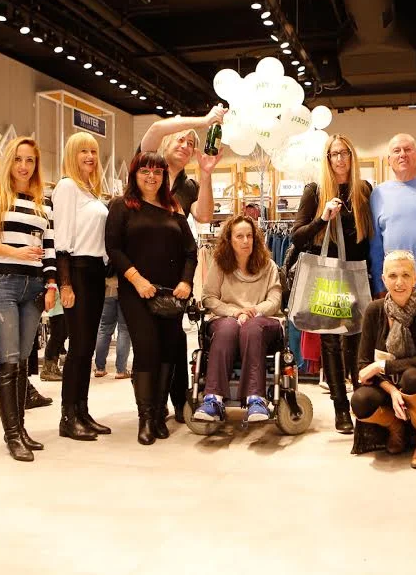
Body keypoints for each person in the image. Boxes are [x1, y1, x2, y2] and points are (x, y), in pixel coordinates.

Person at [0, 136, 57, 462]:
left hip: (34, 288)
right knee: (8, 358)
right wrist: (14, 252)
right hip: (0, 285)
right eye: (18, 159)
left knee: (21, 361)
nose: (24, 165)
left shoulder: (43, 202)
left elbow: (50, 246)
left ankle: (20, 429)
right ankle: (12, 435)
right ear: (9, 162)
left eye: (30, 160)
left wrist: (51, 284)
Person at [139, 104, 225, 423]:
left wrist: (206, 173)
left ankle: (176, 401)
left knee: (174, 340)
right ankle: (152, 405)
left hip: (176, 273)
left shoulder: (188, 187)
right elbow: (155, 129)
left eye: (191, 143)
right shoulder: (149, 169)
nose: (186, 146)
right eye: (181, 140)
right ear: (166, 143)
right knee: (150, 342)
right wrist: (204, 121)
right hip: (141, 271)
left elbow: (204, 215)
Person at [105, 151, 197, 445]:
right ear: (135, 174)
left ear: (164, 176)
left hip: (171, 295)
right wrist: (137, 280)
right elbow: (114, 249)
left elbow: (190, 251)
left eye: (157, 172)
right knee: (147, 351)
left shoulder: (173, 207)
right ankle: (145, 418)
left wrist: (186, 281)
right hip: (137, 293)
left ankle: (158, 413)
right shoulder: (121, 206)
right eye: (145, 171)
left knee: (168, 351)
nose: (151, 177)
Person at [291, 134, 374, 434]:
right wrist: (323, 218)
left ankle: (361, 405)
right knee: (330, 340)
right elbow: (297, 236)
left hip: (356, 273)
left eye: (344, 153)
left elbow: (370, 238)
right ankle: (341, 408)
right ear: (327, 159)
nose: (340, 159)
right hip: (327, 277)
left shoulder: (363, 190)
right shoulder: (315, 191)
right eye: (334, 154)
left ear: (352, 156)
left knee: (357, 341)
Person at [351, 251, 416, 467]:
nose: (399, 282)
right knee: (360, 402)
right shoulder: (374, 309)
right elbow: (363, 365)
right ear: (383, 279)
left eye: (406, 275)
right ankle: (396, 428)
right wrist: (391, 390)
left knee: (413, 376)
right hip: (386, 384)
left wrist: (381, 365)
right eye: (392, 276)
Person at [195, 215, 283, 423]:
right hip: (228, 318)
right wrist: (234, 312)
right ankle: (213, 399)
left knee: (252, 328)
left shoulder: (269, 266)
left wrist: (253, 311)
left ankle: (256, 399)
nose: (245, 241)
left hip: (262, 320)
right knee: (227, 329)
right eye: (239, 236)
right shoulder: (219, 265)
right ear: (230, 240)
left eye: (249, 236)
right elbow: (208, 298)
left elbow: (275, 299)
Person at [53, 132, 111, 441]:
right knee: (78, 347)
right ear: (72, 155)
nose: (89, 156)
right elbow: (61, 239)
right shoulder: (67, 187)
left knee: (86, 347)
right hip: (76, 271)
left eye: (93, 151)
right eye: (83, 151)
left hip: (95, 272)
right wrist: (65, 284)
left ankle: (82, 411)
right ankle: (68, 416)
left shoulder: (91, 191)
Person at [368, 134, 416, 297]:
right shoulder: (378, 193)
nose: (402, 154)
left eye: (408, 149)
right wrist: (379, 285)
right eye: (397, 151)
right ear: (389, 160)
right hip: (396, 286)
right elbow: (375, 244)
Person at [94, 275, 131, 379]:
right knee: (124, 330)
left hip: (107, 290)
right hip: (125, 291)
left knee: (104, 329)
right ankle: (121, 371)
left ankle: (100, 369)